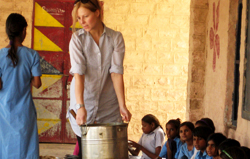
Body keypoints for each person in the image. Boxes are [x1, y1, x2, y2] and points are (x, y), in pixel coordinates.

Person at [67, 0, 132, 157]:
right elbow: (79, 74)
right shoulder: (77, 39)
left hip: (108, 104)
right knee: (86, 151)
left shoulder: (115, 38)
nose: (81, 22)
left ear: (97, 12)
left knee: (109, 152)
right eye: (78, 18)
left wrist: (122, 105)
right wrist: (80, 106)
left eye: (85, 16)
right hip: (84, 101)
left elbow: (116, 72)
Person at [0, 13, 42, 158]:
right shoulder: (32, 55)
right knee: (26, 147)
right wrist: (27, 76)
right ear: (24, 31)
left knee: (5, 147)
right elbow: (37, 84)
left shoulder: (0, 56)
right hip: (25, 113)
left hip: (4, 112)